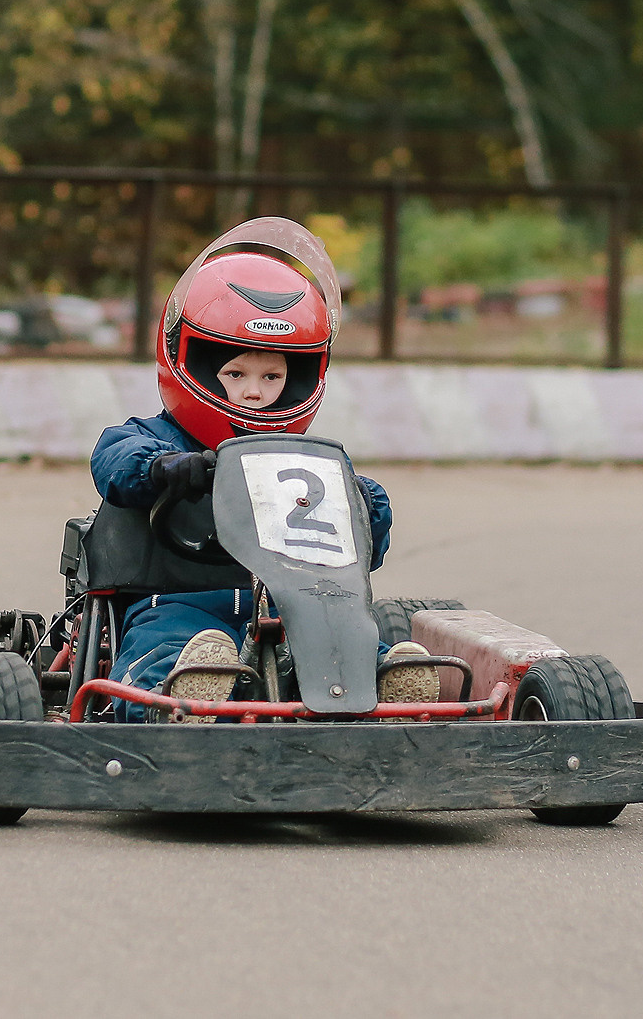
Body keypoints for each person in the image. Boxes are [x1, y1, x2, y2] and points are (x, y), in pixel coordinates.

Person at [89, 218, 435, 719]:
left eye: (272, 376)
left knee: (342, 642)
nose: (255, 392)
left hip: (287, 605)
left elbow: (365, 549)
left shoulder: (304, 461)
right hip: (178, 600)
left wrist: (361, 501)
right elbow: (113, 461)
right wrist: (164, 469)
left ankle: (385, 681)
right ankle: (178, 699)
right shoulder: (151, 437)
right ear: (194, 363)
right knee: (166, 644)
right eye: (235, 374)